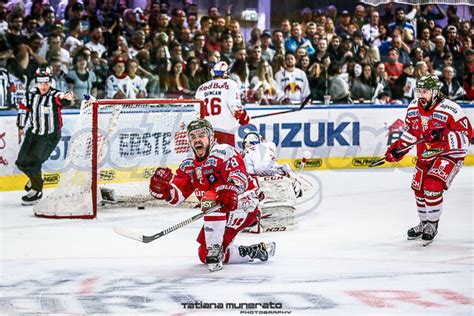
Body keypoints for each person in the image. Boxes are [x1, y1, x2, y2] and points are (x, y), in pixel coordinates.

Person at [149, 119, 275, 272]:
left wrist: (231, 188)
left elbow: (239, 176)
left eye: (202, 135)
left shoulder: (223, 151)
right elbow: (176, 196)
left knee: (211, 197)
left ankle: (215, 249)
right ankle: (255, 251)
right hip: (219, 208)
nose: (197, 139)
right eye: (193, 136)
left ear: (211, 137)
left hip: (243, 203)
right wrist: (163, 189)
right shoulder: (188, 165)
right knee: (204, 254)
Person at [384, 74, 471, 245]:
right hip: (425, 155)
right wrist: (399, 149)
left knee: (432, 185)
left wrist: (443, 134)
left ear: (436, 91)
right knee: (418, 187)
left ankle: (432, 224)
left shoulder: (450, 109)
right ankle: (423, 223)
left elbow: (467, 137)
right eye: (419, 91)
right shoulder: (413, 107)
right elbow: (412, 132)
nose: (421, 95)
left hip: (449, 155)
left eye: (426, 91)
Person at [15, 66, 74, 205]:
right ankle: (35, 179)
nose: (44, 85)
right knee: (21, 163)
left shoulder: (54, 94)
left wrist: (67, 97)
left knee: (34, 163)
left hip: (50, 136)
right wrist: (21, 126)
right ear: (36, 82)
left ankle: (37, 190)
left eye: (46, 82)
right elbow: (23, 109)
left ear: (50, 81)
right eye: (41, 82)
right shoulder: (30, 94)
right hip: (33, 133)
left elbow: (62, 98)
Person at [194, 61, 250, 146]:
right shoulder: (230, 84)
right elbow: (236, 108)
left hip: (205, 131)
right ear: (225, 72)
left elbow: (197, 113)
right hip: (225, 130)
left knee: (209, 158)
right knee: (225, 157)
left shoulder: (201, 88)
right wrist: (244, 118)